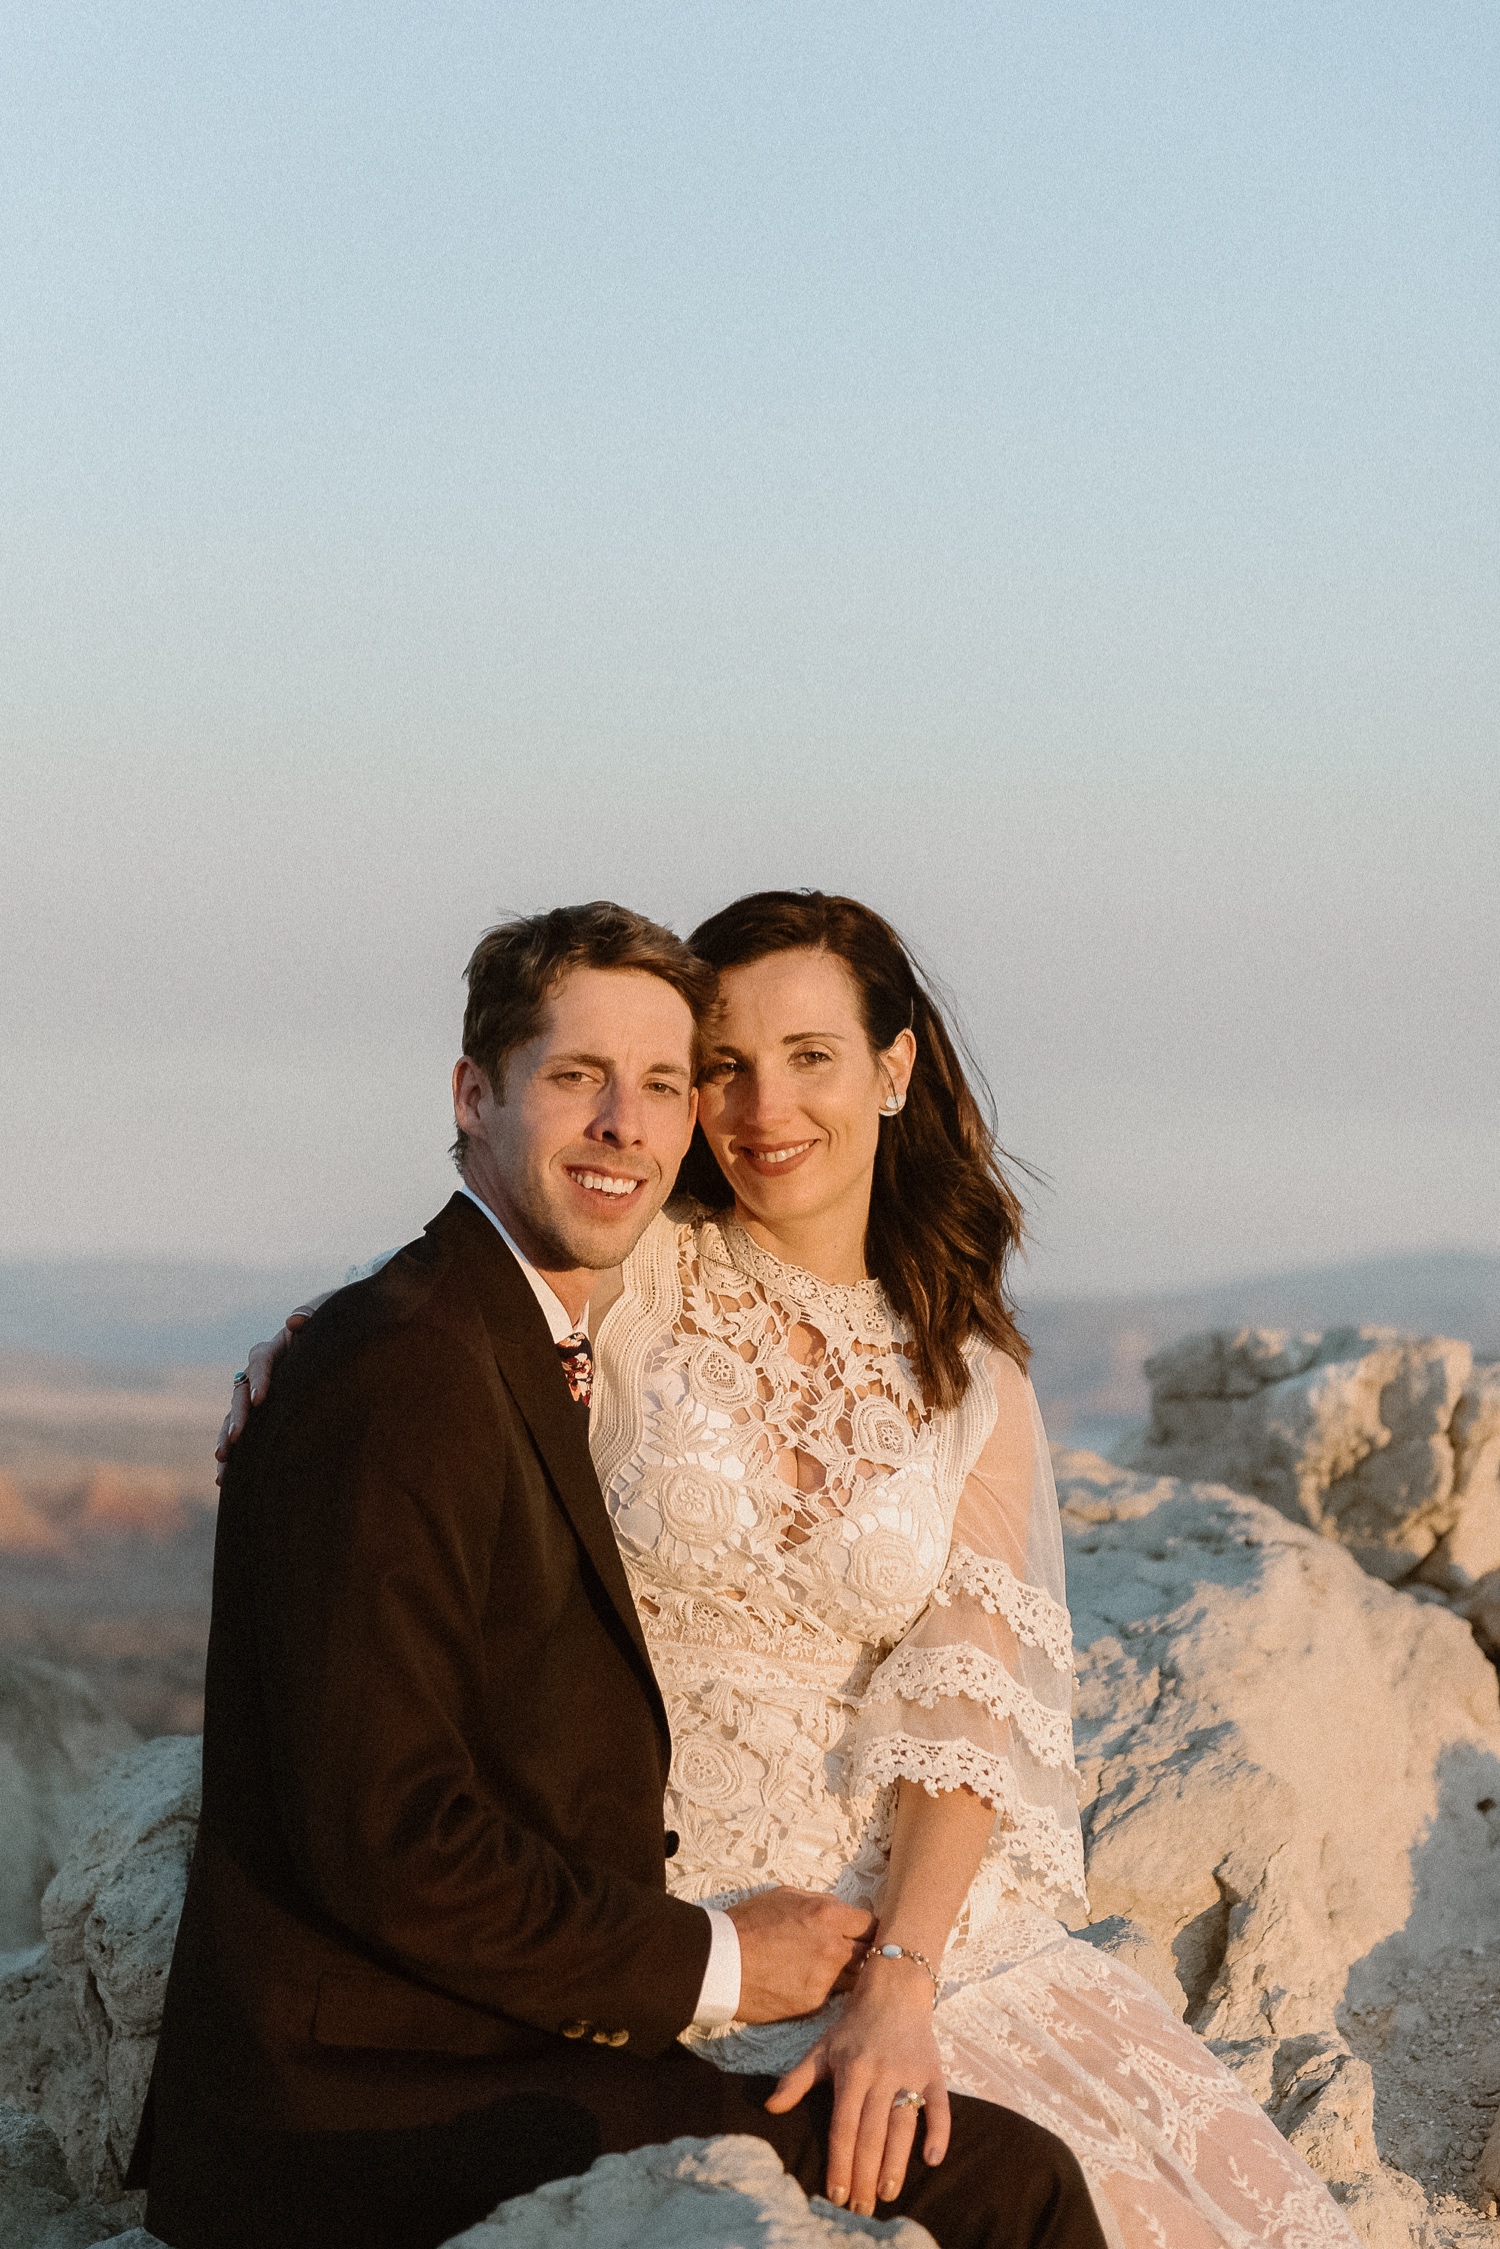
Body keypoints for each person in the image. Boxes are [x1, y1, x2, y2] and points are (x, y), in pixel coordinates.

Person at [224, 890, 1362, 2249]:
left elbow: (962, 1722)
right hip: (642, 1906)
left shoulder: (973, 1376)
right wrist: (292, 1346)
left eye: (811, 1055)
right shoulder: (631, 1263)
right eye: (724, 1066)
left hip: (884, 1922)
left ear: (895, 1068)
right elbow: (444, 1309)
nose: (765, 1106)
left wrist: (899, 1980)